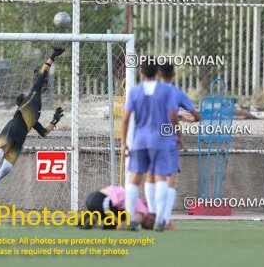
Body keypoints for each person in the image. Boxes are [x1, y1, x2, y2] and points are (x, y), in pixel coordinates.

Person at [0, 47, 65, 207]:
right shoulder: (33, 96)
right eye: (25, 94)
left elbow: (44, 133)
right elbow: (42, 74)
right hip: (11, 130)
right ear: (23, 100)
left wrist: (54, 121)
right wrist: (52, 56)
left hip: (19, 140)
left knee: (6, 169)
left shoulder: (36, 115)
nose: (28, 92)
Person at [120, 57, 180, 231]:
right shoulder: (165, 91)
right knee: (161, 177)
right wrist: (177, 134)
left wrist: (124, 143)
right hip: (159, 141)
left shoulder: (135, 91)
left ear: (141, 71)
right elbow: (172, 115)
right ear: (157, 72)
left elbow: (125, 119)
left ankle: (131, 220)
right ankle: (160, 220)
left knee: (134, 178)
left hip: (139, 140)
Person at [158, 62, 200, 230]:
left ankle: (154, 216)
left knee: (154, 178)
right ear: (173, 74)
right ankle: (164, 219)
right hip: (168, 139)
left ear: (159, 73)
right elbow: (196, 116)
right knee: (170, 178)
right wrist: (186, 117)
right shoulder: (176, 93)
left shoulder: (148, 92)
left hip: (149, 139)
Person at [80, 185, 155, 230]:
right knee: (117, 223)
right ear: (150, 219)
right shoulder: (143, 212)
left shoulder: (136, 202)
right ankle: (95, 222)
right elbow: (131, 222)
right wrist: (124, 226)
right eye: (151, 226)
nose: (149, 228)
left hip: (92, 198)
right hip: (104, 202)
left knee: (122, 216)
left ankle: (87, 219)